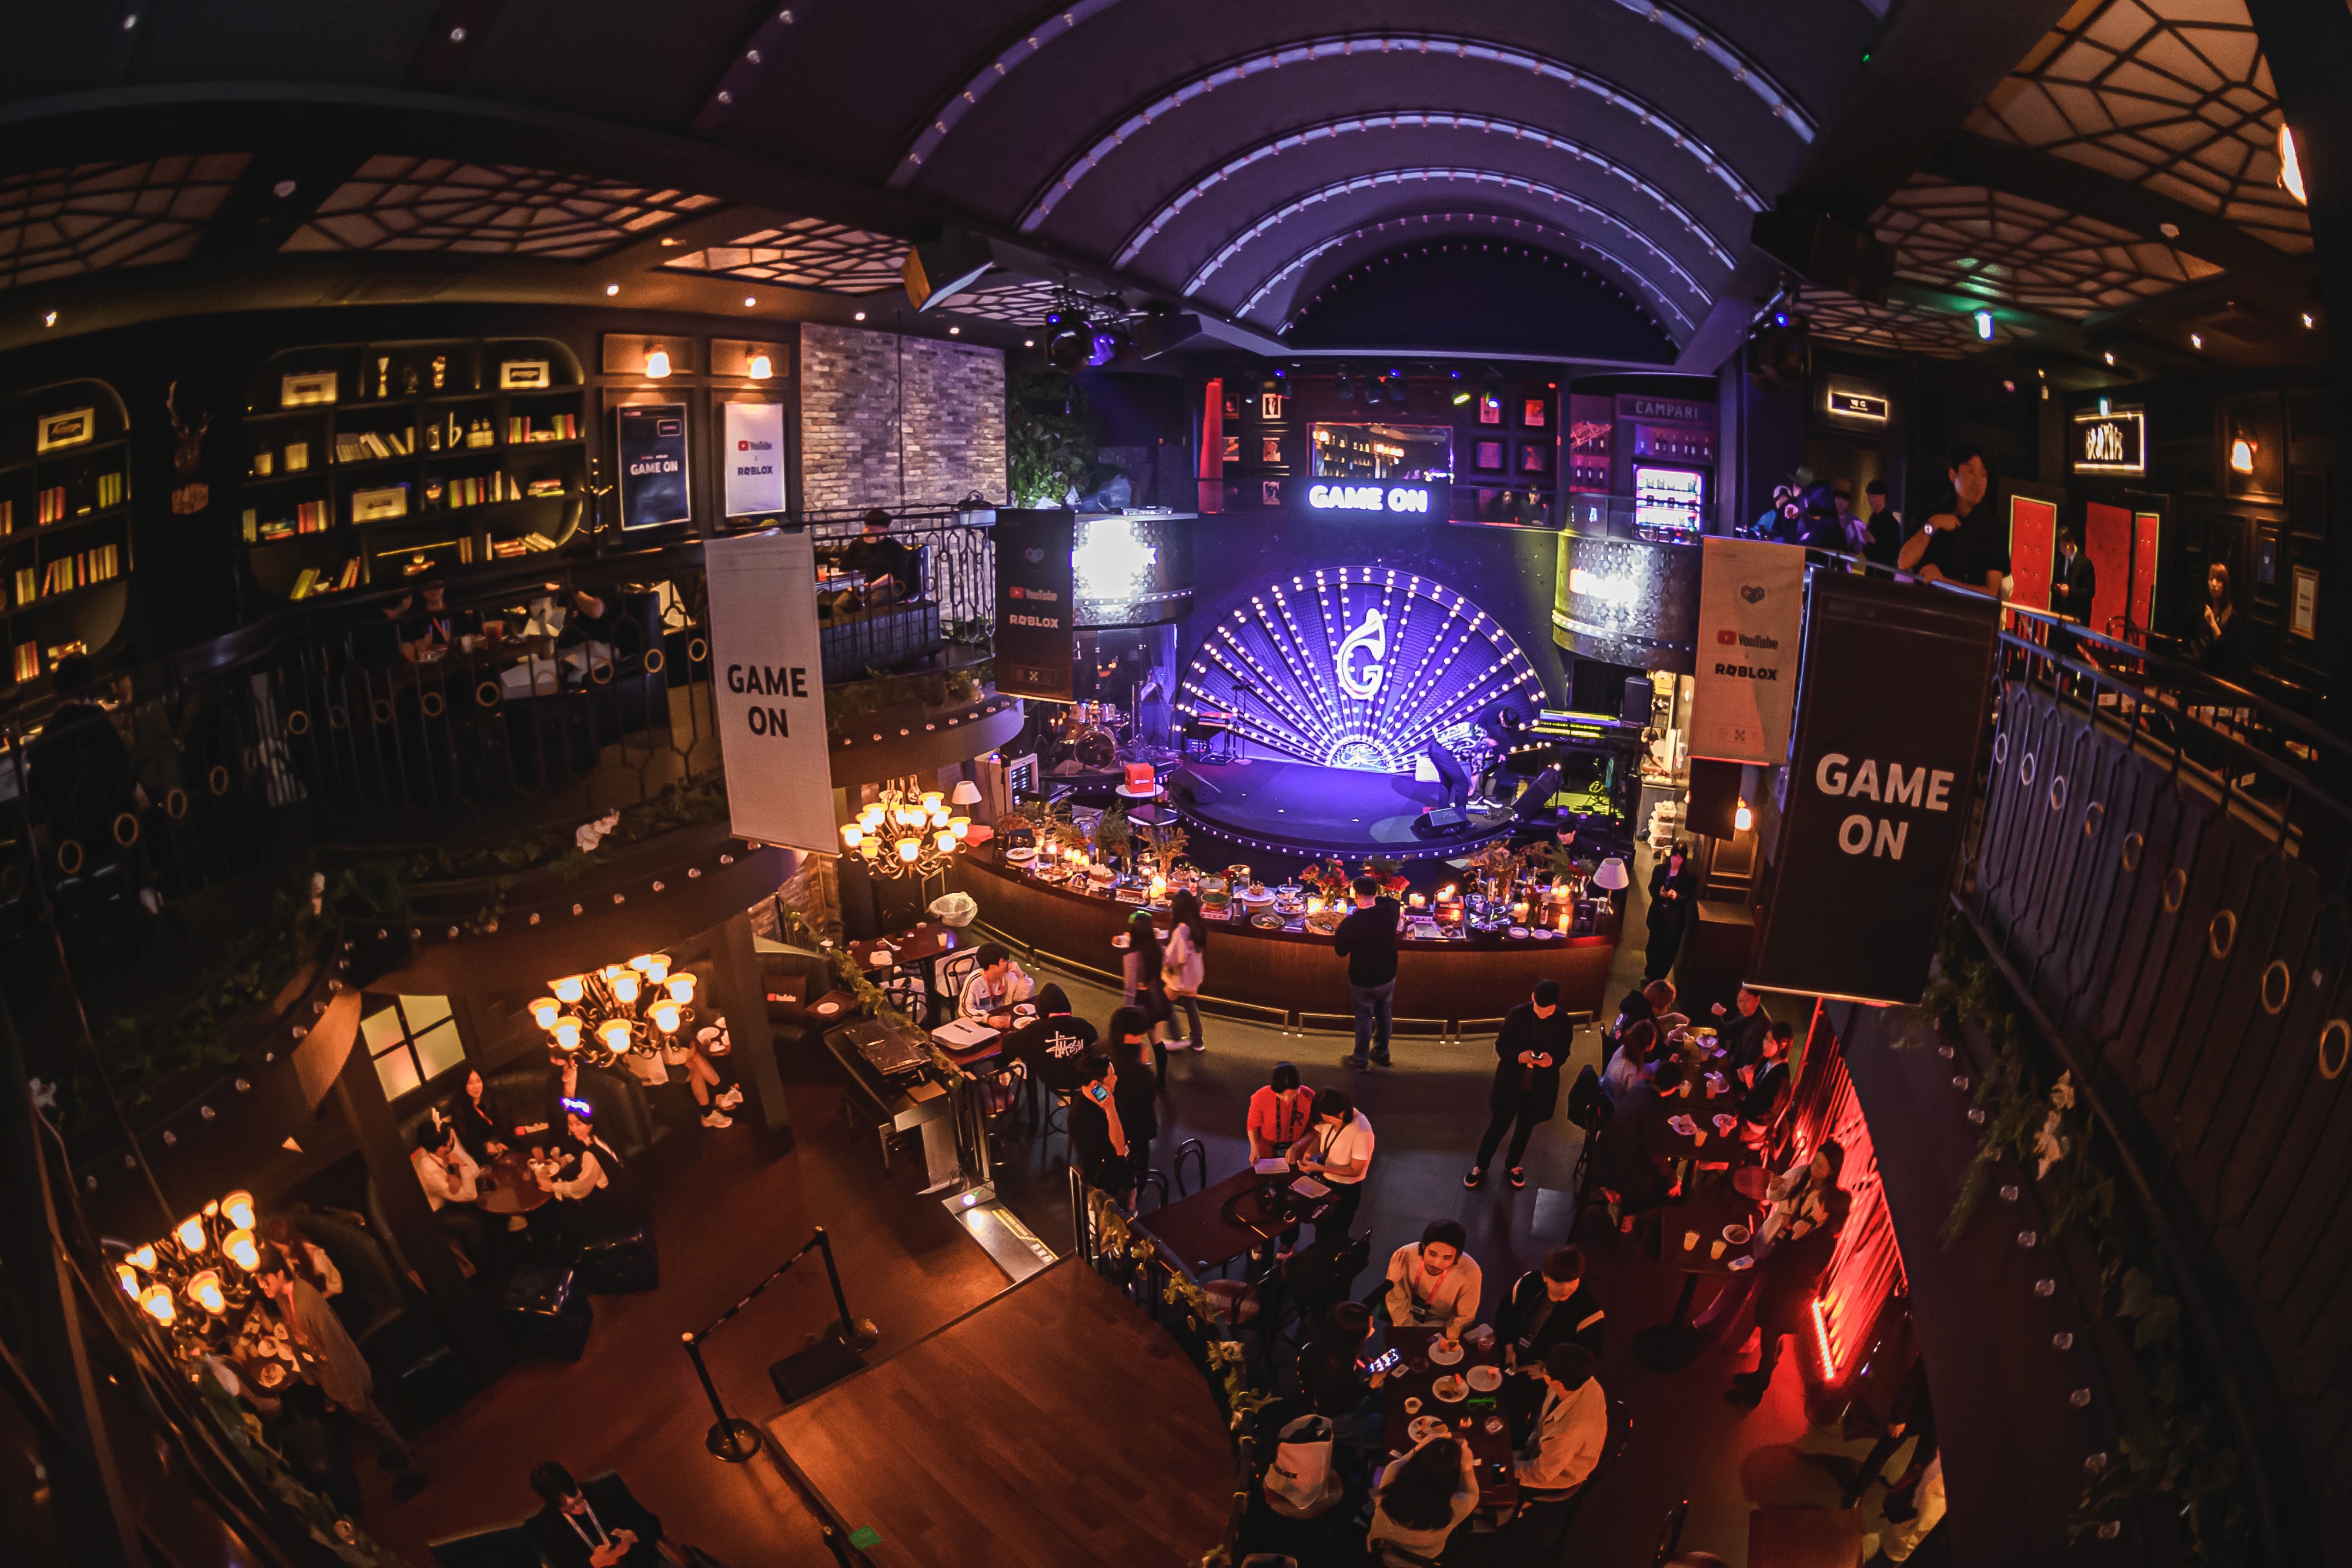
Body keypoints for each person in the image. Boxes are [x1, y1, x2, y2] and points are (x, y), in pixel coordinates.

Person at [253, 1243, 428, 1497]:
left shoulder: (311, 1304)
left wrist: (352, 1394)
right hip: (330, 1377)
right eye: (260, 1283)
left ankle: (412, 1469)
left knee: (375, 1421)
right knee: (371, 1421)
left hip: (346, 1377)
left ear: (280, 1274)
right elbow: (294, 1335)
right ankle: (399, 1452)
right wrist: (309, 1376)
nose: (263, 1287)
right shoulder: (282, 1296)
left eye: (266, 1280)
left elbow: (339, 1352)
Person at [1728, 1188, 1852, 1408]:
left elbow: (1787, 1267)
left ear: (1826, 1213)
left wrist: (1791, 1238)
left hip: (1786, 1301)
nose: (1814, 1204)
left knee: (1769, 1347)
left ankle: (1755, 1394)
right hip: (1791, 1300)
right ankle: (1759, 1378)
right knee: (1773, 1343)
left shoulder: (1819, 1243)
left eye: (1819, 1203)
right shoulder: (1822, 1234)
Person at [26, 653, 146, 874]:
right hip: (115, 834)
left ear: (56, 693)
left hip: (73, 850)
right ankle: (144, 884)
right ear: (88, 688)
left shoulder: (44, 743)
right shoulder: (101, 725)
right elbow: (125, 774)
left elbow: (36, 799)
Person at [1467, 978, 1572, 1188]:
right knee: (1498, 1125)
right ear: (1532, 998)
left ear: (1556, 1005)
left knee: (1525, 1128)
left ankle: (1513, 1165)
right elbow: (1501, 1045)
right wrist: (1519, 1057)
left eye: (1548, 1011)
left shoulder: (1563, 1021)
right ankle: (1481, 1165)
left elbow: (1564, 1052)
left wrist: (1552, 1061)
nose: (1542, 1014)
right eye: (1539, 1009)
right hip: (1511, 1081)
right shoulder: (1517, 1014)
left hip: (1540, 1085)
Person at [1496, 1246, 1605, 1435]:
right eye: (1559, 1282)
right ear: (1545, 1277)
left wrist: (1548, 1369)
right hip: (1512, 1353)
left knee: (1521, 1410)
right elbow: (1506, 1314)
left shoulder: (1589, 1311)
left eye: (1572, 1281)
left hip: (1546, 1373)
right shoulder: (1528, 1283)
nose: (1566, 1289)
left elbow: (1589, 1356)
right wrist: (1508, 1346)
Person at [1896, 443, 2006, 596]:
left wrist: (1943, 582)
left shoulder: (1993, 529)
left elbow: (1992, 592)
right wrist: (1933, 524)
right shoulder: (1930, 516)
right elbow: (1904, 562)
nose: (1978, 481)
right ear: (1953, 476)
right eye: (1970, 472)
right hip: (1926, 605)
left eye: (1983, 474)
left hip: (1968, 610)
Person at [1591, 1059, 1684, 1227]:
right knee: (1670, 1192)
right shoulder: (1656, 1111)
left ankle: (1620, 1202)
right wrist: (1673, 1181)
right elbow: (1653, 1155)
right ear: (1673, 1088)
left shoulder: (1639, 1087)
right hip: (1618, 1169)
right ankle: (1625, 1210)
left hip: (1605, 1152)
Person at [537, 1101, 649, 1239]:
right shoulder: (599, 1138)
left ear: (590, 1125)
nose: (573, 1129)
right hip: (630, 1195)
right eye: (570, 1123)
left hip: (616, 1207)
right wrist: (568, 1158)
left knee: (566, 1210)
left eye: (578, 1124)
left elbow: (580, 1189)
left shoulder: (590, 1155)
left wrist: (552, 1186)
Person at [527, 1460, 667, 1568]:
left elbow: (652, 1523)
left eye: (579, 1500)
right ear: (554, 1505)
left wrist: (632, 1536)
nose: (579, 1509)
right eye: (570, 1508)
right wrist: (593, 1564)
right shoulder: (548, 1528)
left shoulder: (604, 1491)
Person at [1367, 1432, 1480, 1561]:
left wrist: (1421, 1445)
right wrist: (1467, 1466)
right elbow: (1473, 1494)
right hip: (1420, 1561)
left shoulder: (1393, 1473)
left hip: (1377, 1551)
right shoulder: (1458, 1505)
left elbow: (1403, 1462)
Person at [1515, 1343, 1607, 1500]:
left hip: (1557, 1475)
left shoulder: (1568, 1433)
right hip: (1547, 1451)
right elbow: (1543, 1422)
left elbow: (1541, 1474)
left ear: (1557, 1382)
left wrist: (1509, 1464)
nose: (1542, 1369)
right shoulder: (1585, 1381)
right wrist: (1526, 1449)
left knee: (1496, 1480)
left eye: (1545, 1369)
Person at [1333, 875, 1402, 1069]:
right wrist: (1371, 897)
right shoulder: (1390, 911)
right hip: (1388, 975)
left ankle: (1361, 1060)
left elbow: (1341, 951)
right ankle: (1382, 1053)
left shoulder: (1351, 923)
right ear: (1376, 893)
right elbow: (1392, 901)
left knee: (1364, 1019)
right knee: (1384, 1014)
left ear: (1355, 894)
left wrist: (1341, 930)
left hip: (1363, 979)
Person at [1291, 1088, 1374, 1241]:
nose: (1326, 1124)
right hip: (1324, 1180)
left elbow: (1356, 1170)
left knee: (1334, 1235)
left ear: (1340, 1114)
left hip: (1345, 1190)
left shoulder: (1361, 1130)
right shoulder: (1329, 1117)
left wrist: (1321, 1168)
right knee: (1321, 1227)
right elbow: (1319, 1136)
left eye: (1328, 1120)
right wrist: (1309, 1153)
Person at [411, 1118, 496, 1266]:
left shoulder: (434, 1148)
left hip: (443, 1197)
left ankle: (498, 1245)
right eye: (450, 1143)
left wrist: (451, 1174)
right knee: (471, 1222)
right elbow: (470, 1194)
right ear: (441, 1149)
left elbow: (475, 1171)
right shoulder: (428, 1169)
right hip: (431, 1212)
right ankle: (485, 1267)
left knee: (482, 1197)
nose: (453, 1142)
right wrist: (461, 1165)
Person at [1381, 1219, 1483, 1342]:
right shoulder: (1404, 1256)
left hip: (1442, 1325)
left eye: (1447, 1258)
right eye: (1432, 1254)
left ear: (1457, 1256)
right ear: (1424, 1246)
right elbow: (1396, 1299)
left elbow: (1464, 1316)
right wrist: (1410, 1330)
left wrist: (1447, 1336)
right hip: (1405, 1318)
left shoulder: (1471, 1272)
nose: (1437, 1263)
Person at [1003, 982, 1097, 1098]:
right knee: (1100, 1088)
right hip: (1085, 1079)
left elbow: (1008, 1045)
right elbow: (1094, 1039)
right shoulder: (1083, 1024)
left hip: (1054, 1080)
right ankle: (1105, 1102)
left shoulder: (1036, 1029)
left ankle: (1069, 1099)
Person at [1067, 1054, 1132, 1201]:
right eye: (1111, 1076)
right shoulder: (1080, 1116)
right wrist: (1110, 1109)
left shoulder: (1110, 1093)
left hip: (1125, 1168)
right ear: (1095, 1085)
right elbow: (1118, 1150)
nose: (1116, 1078)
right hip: (1106, 1181)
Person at [1118, 911, 1174, 1079]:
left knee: (1133, 1042)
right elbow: (1169, 963)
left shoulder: (1132, 956)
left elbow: (1130, 988)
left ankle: (1139, 1077)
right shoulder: (1159, 948)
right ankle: (1161, 1080)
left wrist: (1128, 1011)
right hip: (1158, 998)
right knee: (1157, 1041)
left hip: (1141, 1002)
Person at [1105, 1008, 1159, 1184]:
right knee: (1139, 1162)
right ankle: (1135, 1190)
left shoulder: (1102, 1052)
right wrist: (1145, 1065)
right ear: (1129, 1034)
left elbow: (1095, 1088)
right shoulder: (1133, 1066)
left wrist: (1106, 1103)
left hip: (1109, 1121)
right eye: (1140, 1033)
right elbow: (1149, 1095)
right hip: (1134, 1125)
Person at [1762, 1139, 1845, 1245]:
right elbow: (1773, 1197)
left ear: (1831, 1172)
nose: (1813, 1168)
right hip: (1771, 1232)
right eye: (1814, 1161)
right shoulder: (1800, 1173)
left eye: (1819, 1167)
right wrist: (1774, 1188)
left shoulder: (1828, 1198)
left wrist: (1796, 1226)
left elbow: (1821, 1232)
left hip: (1792, 1246)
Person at [1162, 888, 1209, 1052]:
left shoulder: (1181, 929)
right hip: (1195, 973)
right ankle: (1197, 1041)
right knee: (1190, 1003)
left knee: (1165, 1002)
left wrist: (1161, 950)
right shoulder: (1198, 924)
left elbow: (1176, 957)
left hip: (1182, 975)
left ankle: (1175, 1038)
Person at [1644, 843, 1696, 984]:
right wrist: (1659, 894)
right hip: (1658, 914)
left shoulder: (1689, 876)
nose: (1676, 860)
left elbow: (1689, 897)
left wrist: (1676, 896)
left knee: (1668, 950)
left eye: (1680, 857)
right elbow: (1651, 888)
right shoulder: (1659, 870)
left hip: (1674, 919)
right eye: (1674, 856)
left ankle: (1660, 978)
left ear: (1684, 859)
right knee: (1652, 946)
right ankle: (1649, 972)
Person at [843, 507, 918, 603]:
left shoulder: (894, 547)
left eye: (872, 529)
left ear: (884, 531)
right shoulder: (856, 544)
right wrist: (850, 584)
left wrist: (872, 586)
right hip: (858, 587)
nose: (866, 531)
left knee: (873, 602)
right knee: (839, 605)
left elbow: (894, 576)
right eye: (866, 527)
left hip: (886, 587)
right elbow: (845, 567)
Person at [1740, 1022, 1796, 1144]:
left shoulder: (1781, 1078)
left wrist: (1750, 1085)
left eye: (1771, 1041)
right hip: (1745, 1112)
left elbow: (1763, 1113)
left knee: (1718, 1131)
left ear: (1783, 1045)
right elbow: (1756, 1089)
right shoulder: (1768, 1060)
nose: (1765, 1044)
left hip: (1753, 1126)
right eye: (1766, 1038)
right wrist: (1745, 1077)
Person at [1247, 1061, 1317, 1161]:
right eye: (1281, 1095)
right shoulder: (1261, 1096)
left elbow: (1315, 1130)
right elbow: (1252, 1126)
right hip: (1266, 1148)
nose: (1287, 1099)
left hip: (1298, 1147)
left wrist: (1297, 1145)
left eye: (1293, 1093)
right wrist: (1254, 1147)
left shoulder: (1310, 1097)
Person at [958, 941, 1034, 1028]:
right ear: (992, 966)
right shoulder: (975, 980)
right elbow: (965, 1010)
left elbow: (1024, 998)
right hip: (982, 1023)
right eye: (1004, 961)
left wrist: (1021, 976)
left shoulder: (1009, 974)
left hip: (1004, 1018)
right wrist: (988, 1019)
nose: (1009, 963)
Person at [2193, 561, 2246, 683]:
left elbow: (2227, 651)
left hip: (2220, 674)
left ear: (2225, 585)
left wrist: (2213, 623)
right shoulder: (2203, 609)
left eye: (2218, 580)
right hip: (2201, 669)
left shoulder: (2232, 616)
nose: (2213, 584)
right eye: (2211, 579)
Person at [449, 1069, 510, 1164]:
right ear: (464, 1085)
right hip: (481, 1151)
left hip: (501, 1138)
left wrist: (494, 1141)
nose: (476, 1086)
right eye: (471, 1083)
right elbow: (466, 1138)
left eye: (478, 1081)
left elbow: (505, 1119)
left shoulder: (491, 1094)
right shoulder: (458, 1107)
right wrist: (487, 1147)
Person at [1711, 984, 1772, 1074]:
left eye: (1748, 1000)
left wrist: (1728, 1072)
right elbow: (1726, 1033)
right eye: (1740, 1000)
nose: (1743, 1005)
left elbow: (1751, 1062)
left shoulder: (1763, 1025)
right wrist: (1717, 1015)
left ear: (1757, 999)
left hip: (1743, 1074)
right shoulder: (1746, 1013)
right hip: (1733, 1066)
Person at [1602, 1018, 1656, 1104]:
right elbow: (1633, 1101)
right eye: (1655, 1038)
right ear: (1648, 1047)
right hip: (1616, 1104)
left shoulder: (1624, 1048)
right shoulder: (1631, 1072)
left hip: (1607, 1091)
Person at [2052, 528, 2097, 626]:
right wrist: (2057, 588)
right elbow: (2055, 582)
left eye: (2065, 546)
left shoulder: (2085, 563)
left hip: (2078, 616)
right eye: (2061, 547)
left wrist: (2070, 591)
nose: (2063, 550)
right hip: (2061, 615)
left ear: (2072, 542)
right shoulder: (2060, 561)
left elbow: (2090, 592)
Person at [1861, 477, 1902, 567]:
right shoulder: (1873, 518)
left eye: (1873, 497)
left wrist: (1873, 541)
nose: (1870, 500)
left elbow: (1893, 551)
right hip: (1871, 566)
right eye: (1869, 496)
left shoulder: (1890, 522)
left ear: (1883, 496)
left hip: (1883, 569)